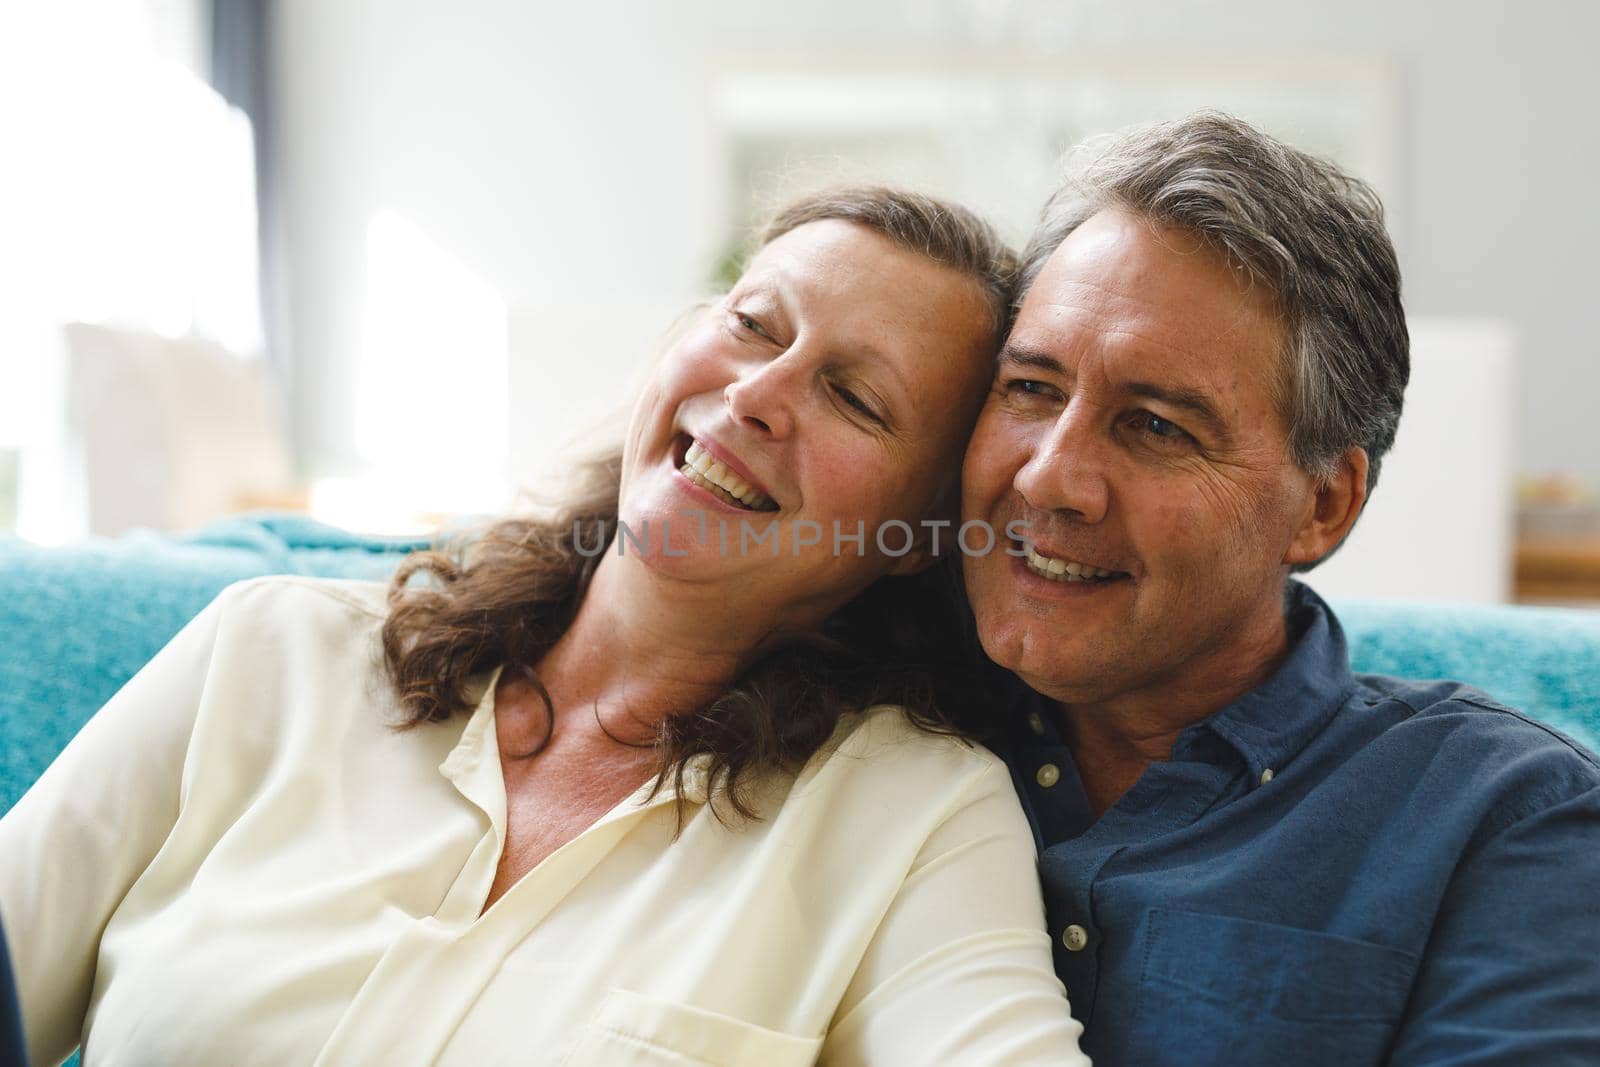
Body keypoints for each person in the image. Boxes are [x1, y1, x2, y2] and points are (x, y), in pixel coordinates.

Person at [0, 188, 1091, 1066]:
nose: (759, 391)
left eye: (854, 397)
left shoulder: (915, 817)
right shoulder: (270, 652)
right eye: (754, 323)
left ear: (917, 531)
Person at [964, 110, 1600, 1065]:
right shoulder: (858, 712)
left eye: (1156, 426)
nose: (1050, 476)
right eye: (1031, 389)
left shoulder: (1507, 818)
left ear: (1324, 505)